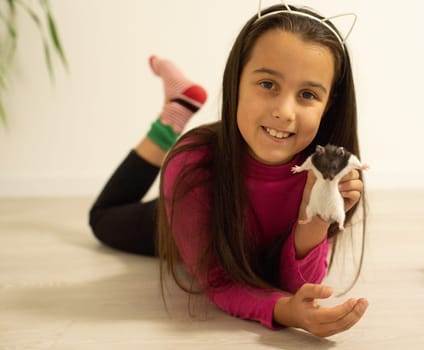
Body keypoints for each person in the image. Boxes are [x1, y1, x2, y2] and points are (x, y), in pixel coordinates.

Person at [89, 2, 368, 338]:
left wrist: (318, 213)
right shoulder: (194, 168)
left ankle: (178, 106)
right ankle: (172, 118)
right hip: (193, 215)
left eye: (307, 94)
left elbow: (295, 284)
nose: (284, 111)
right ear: (236, 80)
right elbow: (218, 281)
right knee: (103, 219)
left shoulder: (327, 174)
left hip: (242, 238)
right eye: (267, 84)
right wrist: (285, 311)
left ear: (330, 105)